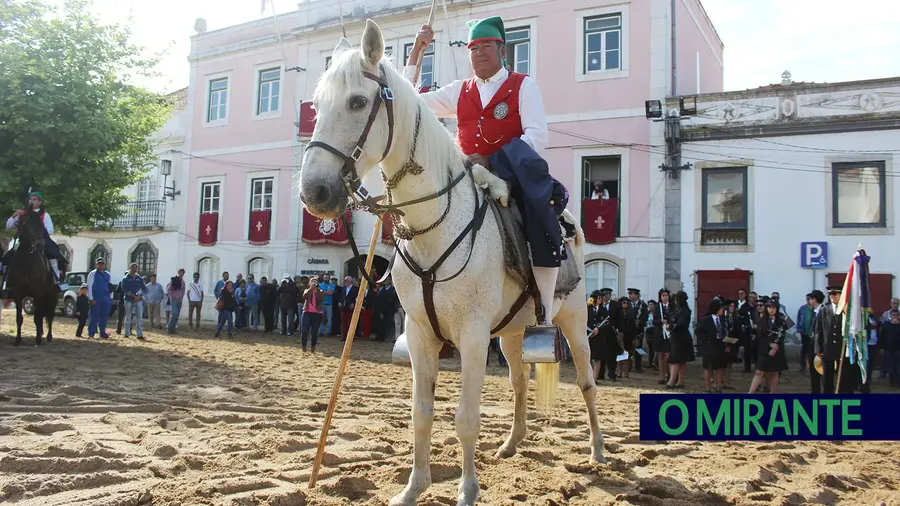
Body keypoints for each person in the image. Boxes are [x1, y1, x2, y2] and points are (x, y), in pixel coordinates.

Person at [407, 18, 569, 326]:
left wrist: (494, 161)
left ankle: (544, 312)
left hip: (512, 176)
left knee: (538, 220)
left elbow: (537, 136)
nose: (479, 53)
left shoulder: (524, 85)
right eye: (473, 48)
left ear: (501, 49)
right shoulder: (459, 91)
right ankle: (420, 315)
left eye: (485, 46)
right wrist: (417, 52)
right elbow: (409, 102)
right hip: (464, 177)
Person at [4, 190, 69, 290]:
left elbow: (50, 229)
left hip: (41, 239)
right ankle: (7, 282)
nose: (32, 201)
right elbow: (8, 227)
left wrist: (38, 231)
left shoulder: (45, 215)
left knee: (53, 254)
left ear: (40, 202)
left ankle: (56, 281)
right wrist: (14, 216)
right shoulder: (22, 214)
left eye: (34, 199)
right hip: (24, 241)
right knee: (8, 257)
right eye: (30, 199)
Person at [749, 299, 789, 393]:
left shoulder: (781, 321)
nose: (771, 310)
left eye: (773, 308)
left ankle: (772, 393)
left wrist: (775, 347)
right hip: (764, 349)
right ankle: (750, 393)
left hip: (777, 349)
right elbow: (759, 337)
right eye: (769, 307)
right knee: (759, 372)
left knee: (774, 372)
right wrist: (769, 345)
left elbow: (782, 335)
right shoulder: (761, 320)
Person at [814, 286, 844, 394]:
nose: (832, 296)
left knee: (843, 376)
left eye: (835, 294)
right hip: (827, 347)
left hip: (842, 348)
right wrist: (818, 348)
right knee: (827, 376)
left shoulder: (846, 309)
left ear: (841, 295)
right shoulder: (824, 310)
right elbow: (818, 330)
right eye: (830, 294)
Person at [87, 258, 112, 339]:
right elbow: (89, 286)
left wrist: (110, 298)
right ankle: (91, 332)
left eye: (102, 264)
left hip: (106, 297)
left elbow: (110, 286)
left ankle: (102, 331)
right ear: (96, 264)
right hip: (96, 297)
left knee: (104, 316)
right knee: (94, 315)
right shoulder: (93, 273)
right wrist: (91, 298)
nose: (100, 265)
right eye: (99, 264)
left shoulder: (107, 274)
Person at [121, 262, 146, 340]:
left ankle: (139, 334)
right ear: (130, 268)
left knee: (139, 317)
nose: (134, 269)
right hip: (129, 299)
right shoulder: (125, 278)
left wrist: (139, 296)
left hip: (138, 300)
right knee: (128, 316)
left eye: (135, 267)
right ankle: (127, 333)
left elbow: (144, 288)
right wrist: (134, 296)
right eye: (133, 267)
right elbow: (125, 289)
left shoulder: (139, 278)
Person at [300, 278, 324, 352]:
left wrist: (317, 290)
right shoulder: (307, 290)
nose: (314, 284)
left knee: (314, 331)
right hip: (307, 312)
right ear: (309, 283)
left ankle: (313, 348)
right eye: (312, 282)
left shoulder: (320, 291)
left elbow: (320, 299)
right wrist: (311, 289)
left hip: (317, 313)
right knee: (305, 330)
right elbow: (304, 296)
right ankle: (304, 347)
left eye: (315, 282)